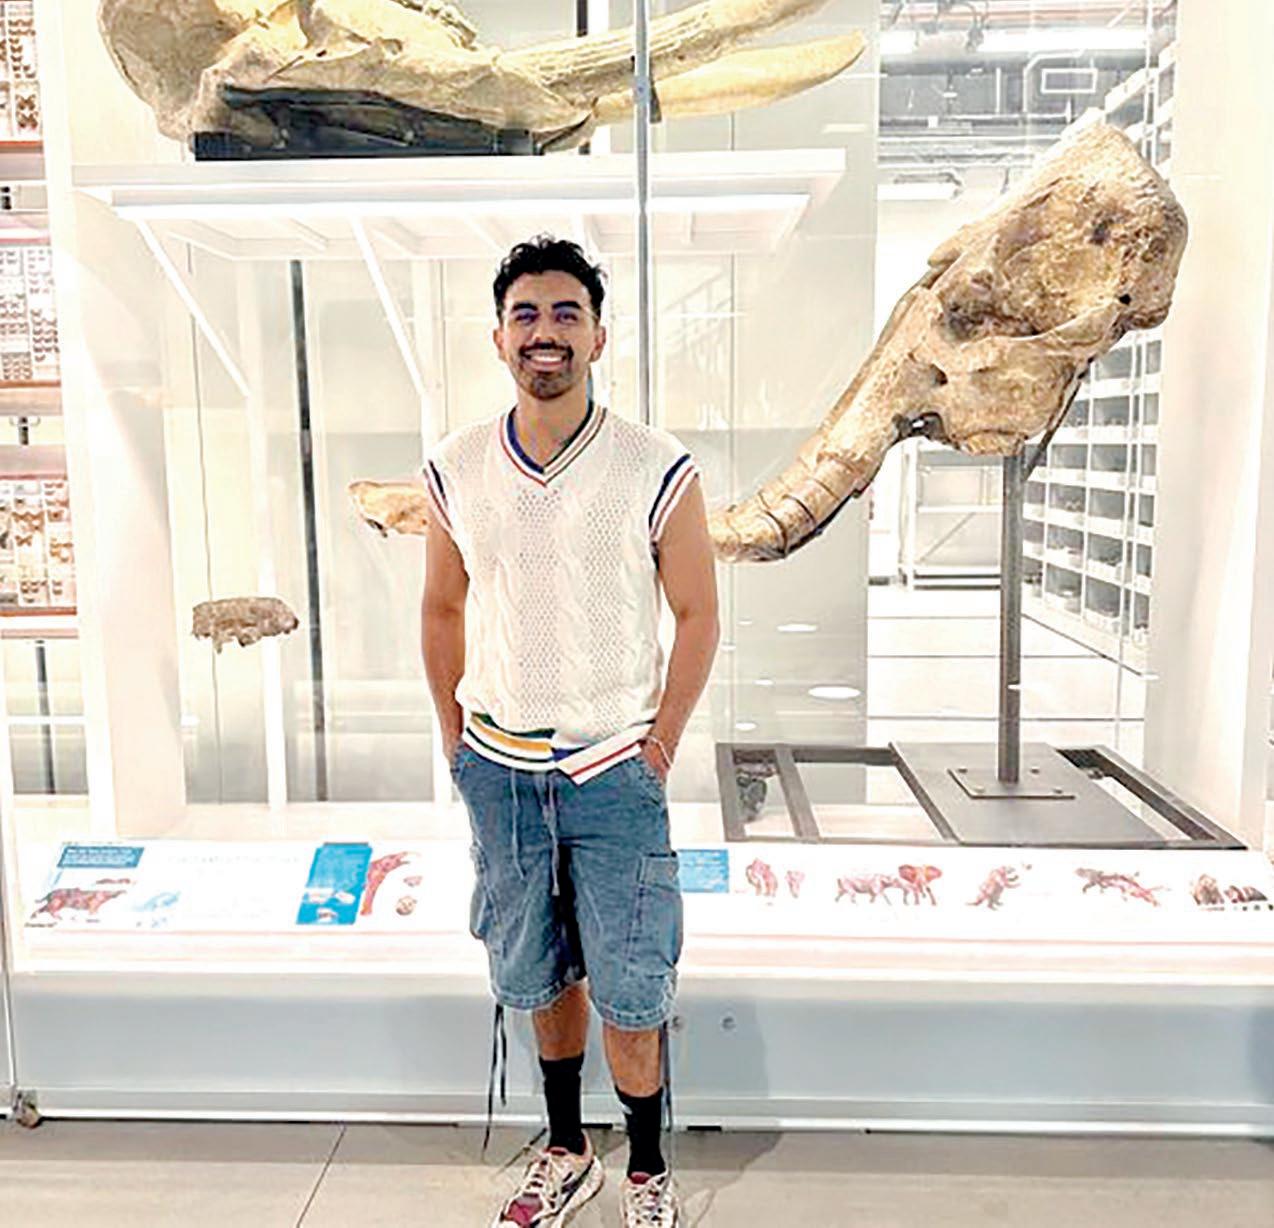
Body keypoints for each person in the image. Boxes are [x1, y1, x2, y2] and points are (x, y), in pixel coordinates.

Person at [421, 235, 719, 1227]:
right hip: (500, 770)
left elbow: (698, 614)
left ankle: (646, 1167)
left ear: (597, 335)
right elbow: (441, 609)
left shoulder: (655, 465)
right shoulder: (456, 464)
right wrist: (456, 740)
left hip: (613, 769)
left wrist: (659, 743)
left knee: (632, 982)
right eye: (525, 314)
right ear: (498, 336)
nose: (543, 333)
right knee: (535, 970)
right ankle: (565, 1147)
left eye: (565, 314)